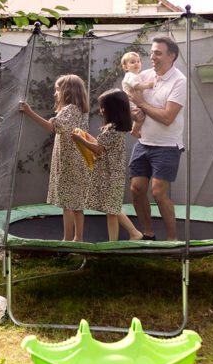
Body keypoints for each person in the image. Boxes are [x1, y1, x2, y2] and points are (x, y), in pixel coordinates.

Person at [127, 36, 187, 241]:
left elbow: (168, 117)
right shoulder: (144, 75)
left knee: (159, 192)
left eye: (158, 53)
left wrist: (141, 104)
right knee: (136, 189)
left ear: (172, 56)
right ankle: (148, 233)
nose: (153, 57)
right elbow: (134, 105)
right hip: (144, 143)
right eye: (152, 52)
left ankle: (172, 239)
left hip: (167, 145)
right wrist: (134, 114)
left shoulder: (179, 81)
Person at [20, 74, 90, 242]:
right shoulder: (80, 110)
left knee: (68, 204)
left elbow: (52, 127)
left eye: (58, 89)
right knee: (77, 204)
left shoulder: (70, 109)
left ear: (67, 91)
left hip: (69, 161)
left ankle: (67, 239)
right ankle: (78, 238)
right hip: (77, 160)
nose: (55, 93)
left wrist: (29, 112)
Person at [72, 90, 143, 242]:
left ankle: (128, 236)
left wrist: (80, 139)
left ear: (113, 109)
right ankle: (122, 238)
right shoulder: (114, 127)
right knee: (112, 210)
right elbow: (99, 143)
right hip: (110, 174)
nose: (101, 110)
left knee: (112, 210)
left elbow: (97, 149)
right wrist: (84, 136)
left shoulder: (113, 129)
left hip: (111, 175)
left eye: (103, 107)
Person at [119, 51, 154, 139]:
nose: (136, 64)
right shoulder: (130, 76)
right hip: (132, 104)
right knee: (140, 117)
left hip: (135, 103)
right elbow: (137, 86)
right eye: (132, 62)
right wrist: (148, 85)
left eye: (138, 61)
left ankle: (138, 130)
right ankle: (134, 131)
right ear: (125, 67)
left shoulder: (136, 75)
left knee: (141, 116)